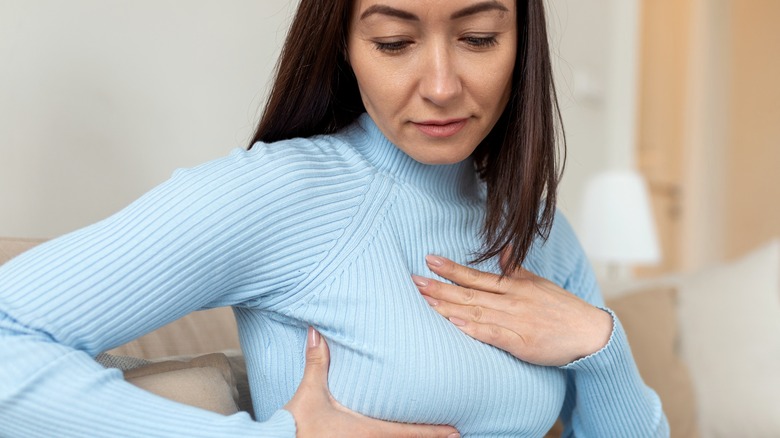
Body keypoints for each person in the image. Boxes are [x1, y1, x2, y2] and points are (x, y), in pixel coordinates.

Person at [0, 0, 669, 436]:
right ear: (344, 47)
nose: (440, 85)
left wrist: (598, 342)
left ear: (522, 43)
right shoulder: (281, 194)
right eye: (393, 42)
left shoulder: (539, 231)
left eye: (477, 37)